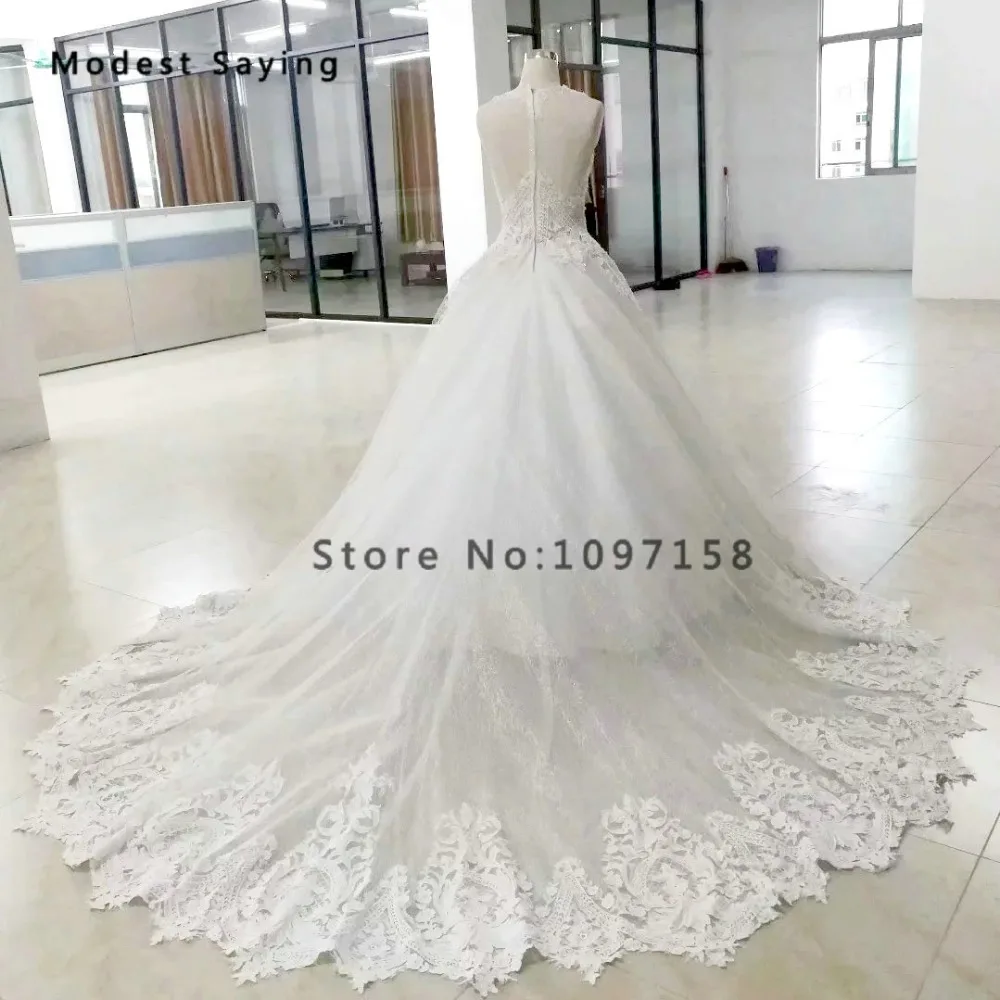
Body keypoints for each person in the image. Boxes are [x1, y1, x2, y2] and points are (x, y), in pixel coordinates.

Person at [19, 50, 980, 996]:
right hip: (552, 287)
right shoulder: (554, 109)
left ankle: (589, 600)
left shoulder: (561, 107)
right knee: (507, 447)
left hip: (539, 288)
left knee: (592, 446)